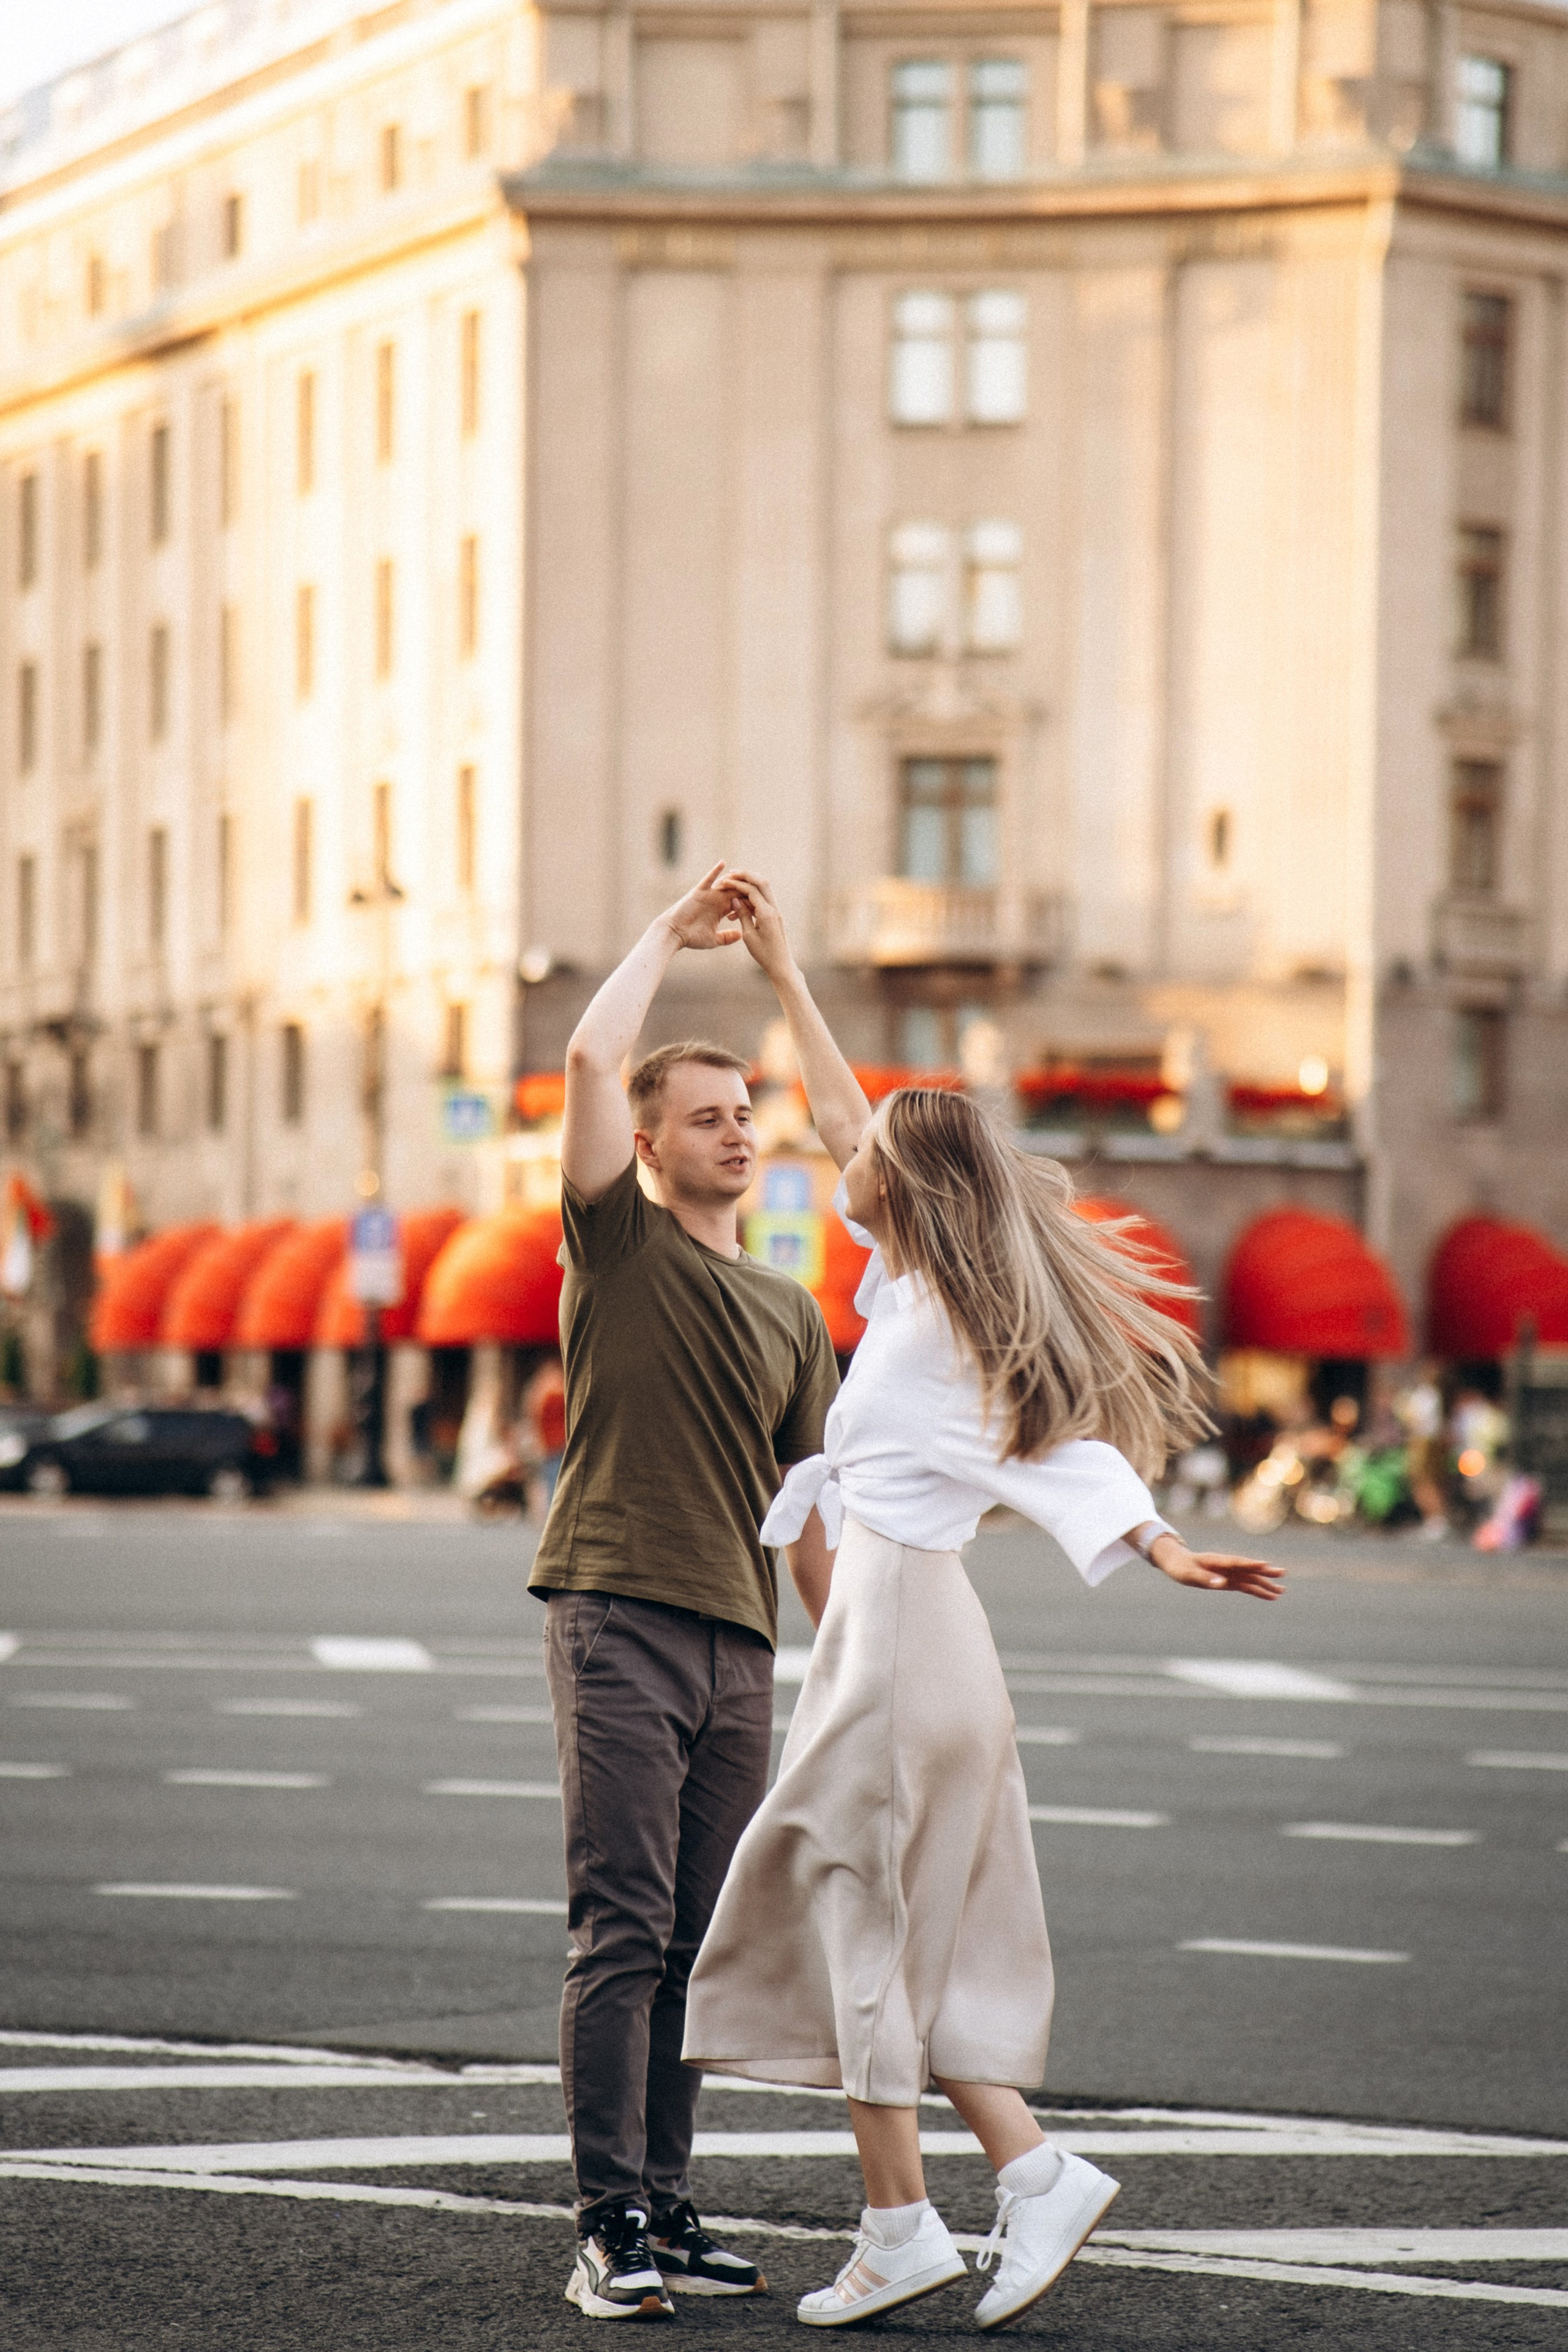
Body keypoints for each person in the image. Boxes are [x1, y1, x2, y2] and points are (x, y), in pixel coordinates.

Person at [684, 873, 1283, 2332]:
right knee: (898, 1928)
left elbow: (1056, 1456)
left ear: (903, 1189)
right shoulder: (914, 1295)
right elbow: (846, 1114)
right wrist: (785, 975)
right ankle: (1026, 2174)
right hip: (911, 1639)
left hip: (901, 1644)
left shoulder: (934, 1335)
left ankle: (904, 2227)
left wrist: (1160, 1546)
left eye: (872, 1152)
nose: (843, 1148)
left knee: (855, 1916)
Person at [528, 865, 840, 2320]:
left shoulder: (792, 1308)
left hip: (738, 1649)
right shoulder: (617, 1244)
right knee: (622, 1929)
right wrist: (671, 931)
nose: (737, 1131)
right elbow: (591, 1055)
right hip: (616, 1616)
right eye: (706, 1115)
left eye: (744, 1113)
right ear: (645, 1146)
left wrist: (856, 1659)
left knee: (696, 1946)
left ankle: (665, 2199)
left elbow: (809, 1513)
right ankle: (605, 2223)